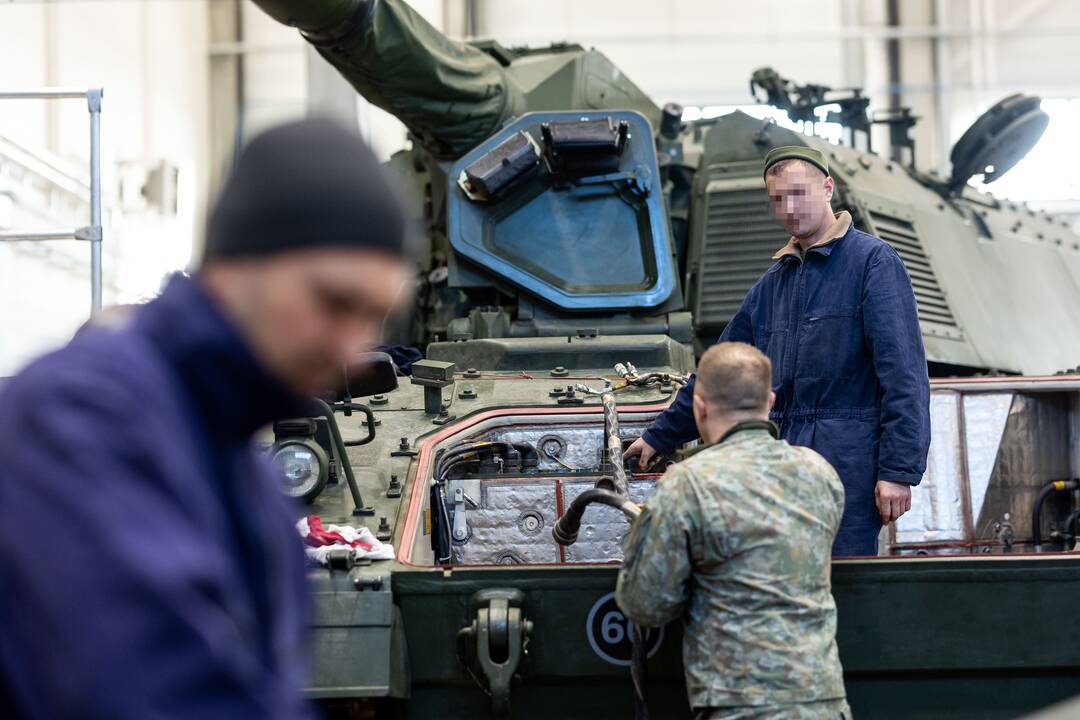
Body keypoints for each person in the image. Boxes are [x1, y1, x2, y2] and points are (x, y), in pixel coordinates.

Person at [0, 117, 411, 719]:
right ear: (236, 265)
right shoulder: (84, 415)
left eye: (372, 317)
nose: (351, 349)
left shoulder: (240, 463)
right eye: (333, 302)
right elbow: (155, 693)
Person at [627, 145, 931, 556]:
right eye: (777, 198)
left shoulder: (873, 264)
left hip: (849, 463)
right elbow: (721, 372)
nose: (789, 208)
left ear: (827, 188)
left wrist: (898, 470)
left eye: (799, 193)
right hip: (782, 458)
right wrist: (658, 436)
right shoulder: (773, 284)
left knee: (844, 587)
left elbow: (905, 376)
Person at [617, 342, 849, 720]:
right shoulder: (819, 473)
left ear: (700, 408)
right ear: (770, 401)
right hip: (824, 701)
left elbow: (646, 604)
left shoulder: (688, 484)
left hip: (740, 705)